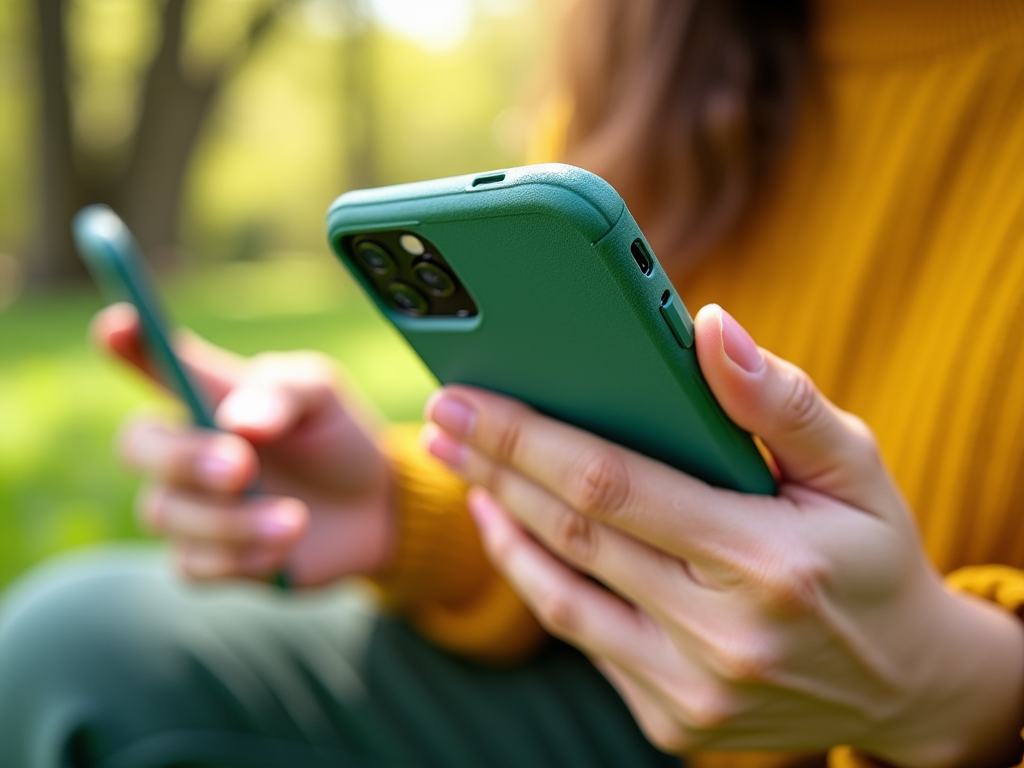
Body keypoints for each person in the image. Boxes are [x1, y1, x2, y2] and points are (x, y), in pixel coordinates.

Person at [4, 0, 1024, 766]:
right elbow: (612, 466)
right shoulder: (653, 31)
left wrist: (959, 689)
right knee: (78, 646)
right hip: (635, 707)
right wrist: (402, 509)